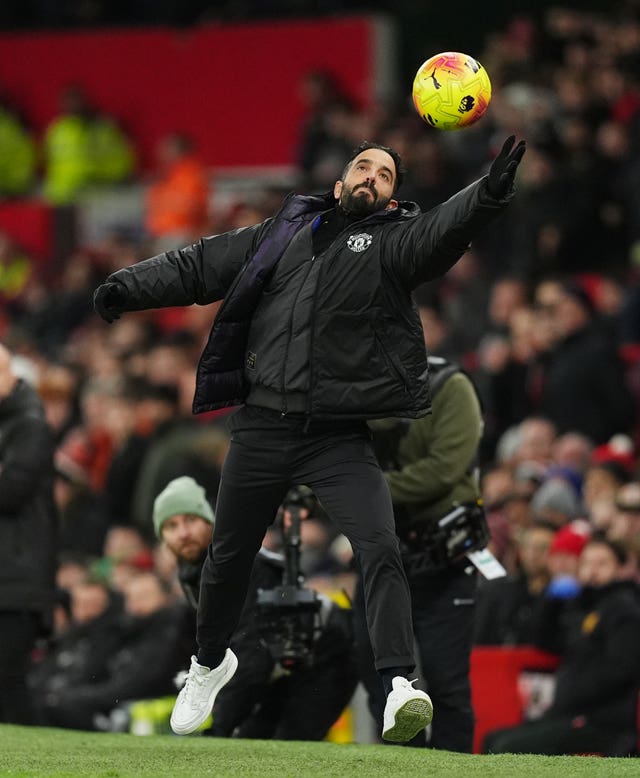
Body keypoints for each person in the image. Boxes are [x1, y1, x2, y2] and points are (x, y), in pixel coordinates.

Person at [93, 134, 526, 742]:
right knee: (227, 558)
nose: (373, 178)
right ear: (343, 179)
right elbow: (199, 265)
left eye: (386, 175)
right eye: (364, 167)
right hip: (262, 425)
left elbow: (442, 232)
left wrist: (489, 192)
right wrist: (126, 286)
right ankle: (209, 664)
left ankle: (401, 683)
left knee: (379, 545)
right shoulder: (280, 232)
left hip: (336, 435)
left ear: (392, 196)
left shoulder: (392, 244)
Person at [154, 475, 358, 740]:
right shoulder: (191, 573)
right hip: (284, 665)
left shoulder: (243, 565)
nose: (183, 533)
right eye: (171, 526)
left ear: (210, 522)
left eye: (191, 520)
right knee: (250, 745)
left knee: (284, 751)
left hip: (327, 654)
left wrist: (215, 727)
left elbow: (253, 654)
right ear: (162, 538)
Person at [355, 355, 486, 752]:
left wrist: (360, 488)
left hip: (444, 555)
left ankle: (454, 768)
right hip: (382, 548)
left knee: (447, 681)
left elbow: (444, 470)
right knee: (372, 669)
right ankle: (403, 765)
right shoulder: (353, 388)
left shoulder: (449, 386)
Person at [483, 535, 640, 756]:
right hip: (568, 713)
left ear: (621, 568)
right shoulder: (583, 605)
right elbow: (546, 641)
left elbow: (623, 669)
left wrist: (575, 692)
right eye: (586, 563)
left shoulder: (624, 609)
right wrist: (550, 600)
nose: (592, 570)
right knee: (493, 738)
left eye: (601, 563)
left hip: (601, 720)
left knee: (506, 747)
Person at [0, 343, 58, 723]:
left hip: (18, 577)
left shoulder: (30, 423)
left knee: (9, 681)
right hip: (10, 572)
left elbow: (10, 492)